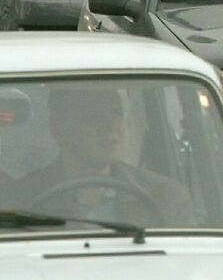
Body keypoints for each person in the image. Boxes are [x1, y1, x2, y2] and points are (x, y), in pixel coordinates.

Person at [16, 87, 194, 226]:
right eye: (94, 116)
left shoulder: (165, 198)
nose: (110, 126)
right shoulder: (20, 201)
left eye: (117, 114)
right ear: (58, 128)